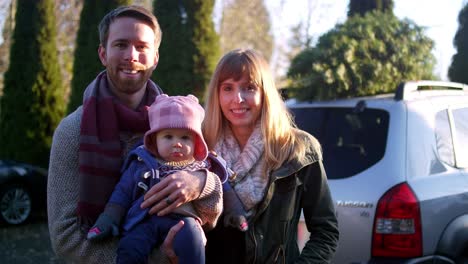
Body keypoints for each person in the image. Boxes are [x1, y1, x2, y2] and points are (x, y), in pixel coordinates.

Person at [47, 6, 223, 263]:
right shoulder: (72, 131)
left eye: (142, 46)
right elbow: (66, 239)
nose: (132, 55)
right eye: (120, 45)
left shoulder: (183, 122)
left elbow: (211, 209)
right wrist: (154, 257)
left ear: (155, 58)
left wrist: (201, 182)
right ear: (102, 54)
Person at [202, 49, 340, 263]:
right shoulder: (200, 148)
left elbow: (326, 231)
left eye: (249, 87)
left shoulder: (299, 149)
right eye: (228, 88)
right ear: (217, 95)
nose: (237, 99)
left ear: (265, 92)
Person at [86, 94, 247, 264]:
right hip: (145, 220)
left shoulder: (204, 165)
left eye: (185, 137)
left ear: (197, 142)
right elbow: (123, 192)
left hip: (185, 221)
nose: (177, 143)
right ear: (154, 140)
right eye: (168, 136)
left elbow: (224, 186)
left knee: (193, 241)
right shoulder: (142, 163)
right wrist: (108, 218)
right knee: (130, 247)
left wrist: (235, 211)